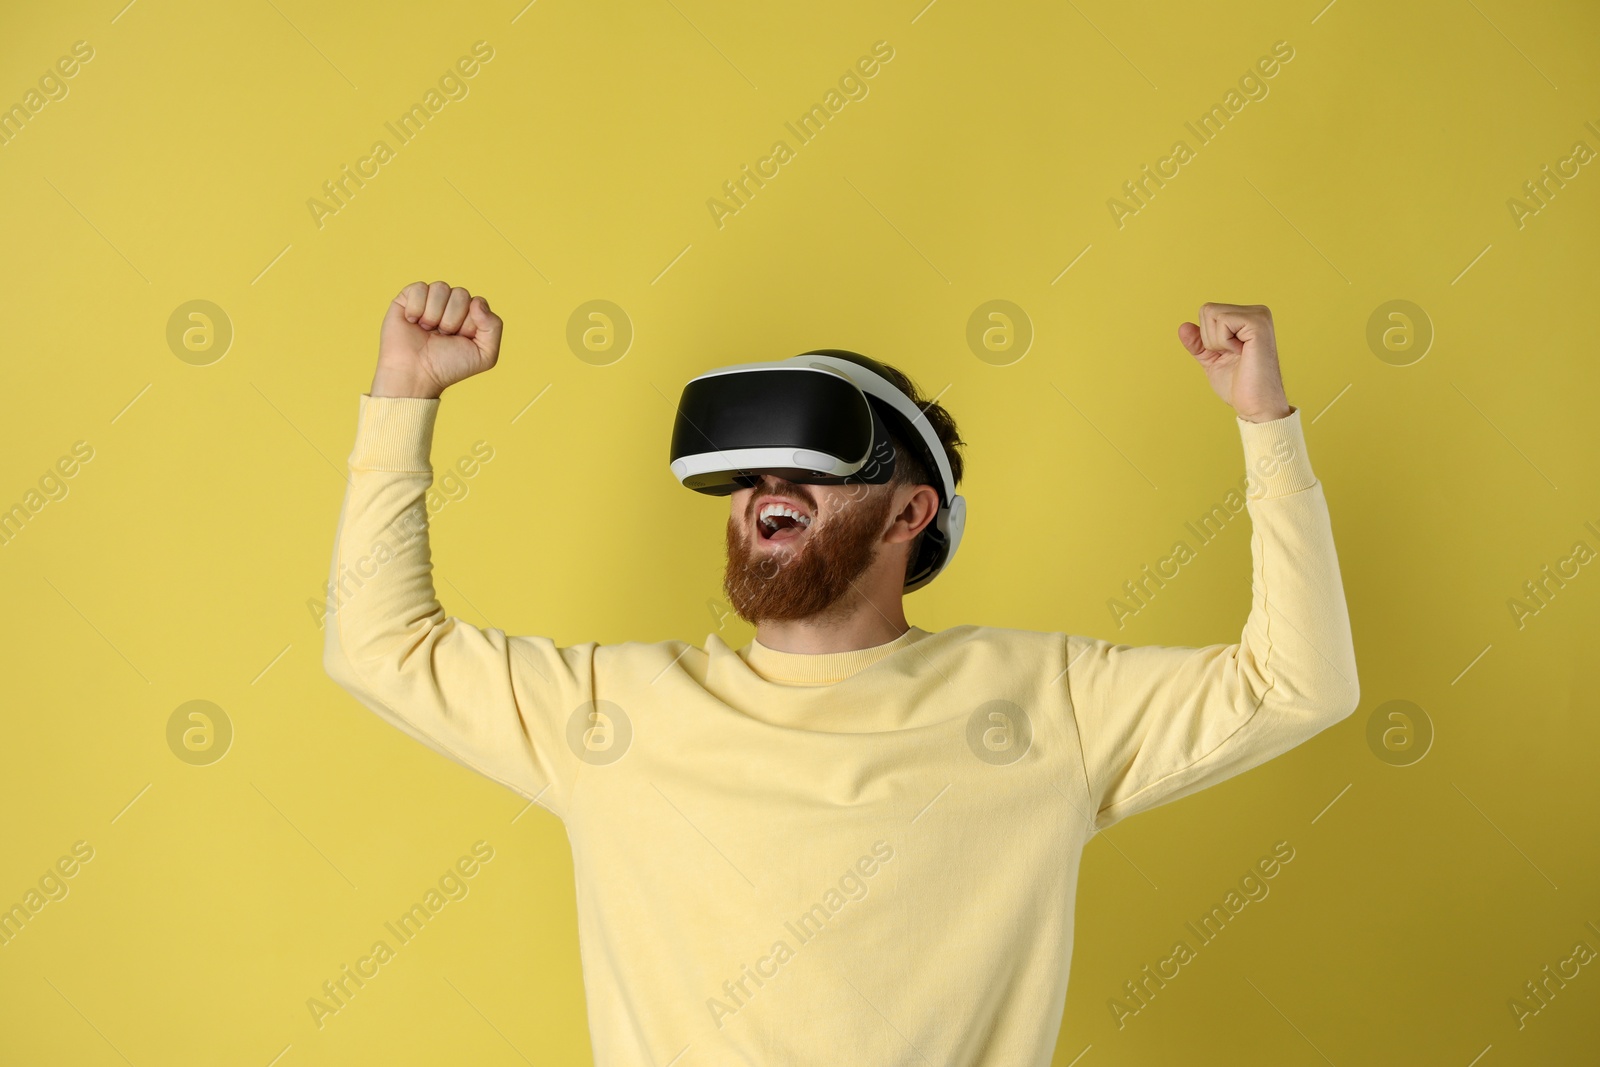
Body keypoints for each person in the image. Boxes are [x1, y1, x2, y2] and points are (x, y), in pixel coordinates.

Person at [323, 280, 1359, 1064]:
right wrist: (404, 395)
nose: (767, 485)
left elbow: (1296, 682)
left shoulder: (1045, 702)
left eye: (812, 462)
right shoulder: (612, 710)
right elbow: (378, 645)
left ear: (911, 513)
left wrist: (1264, 428)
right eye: (748, 470)